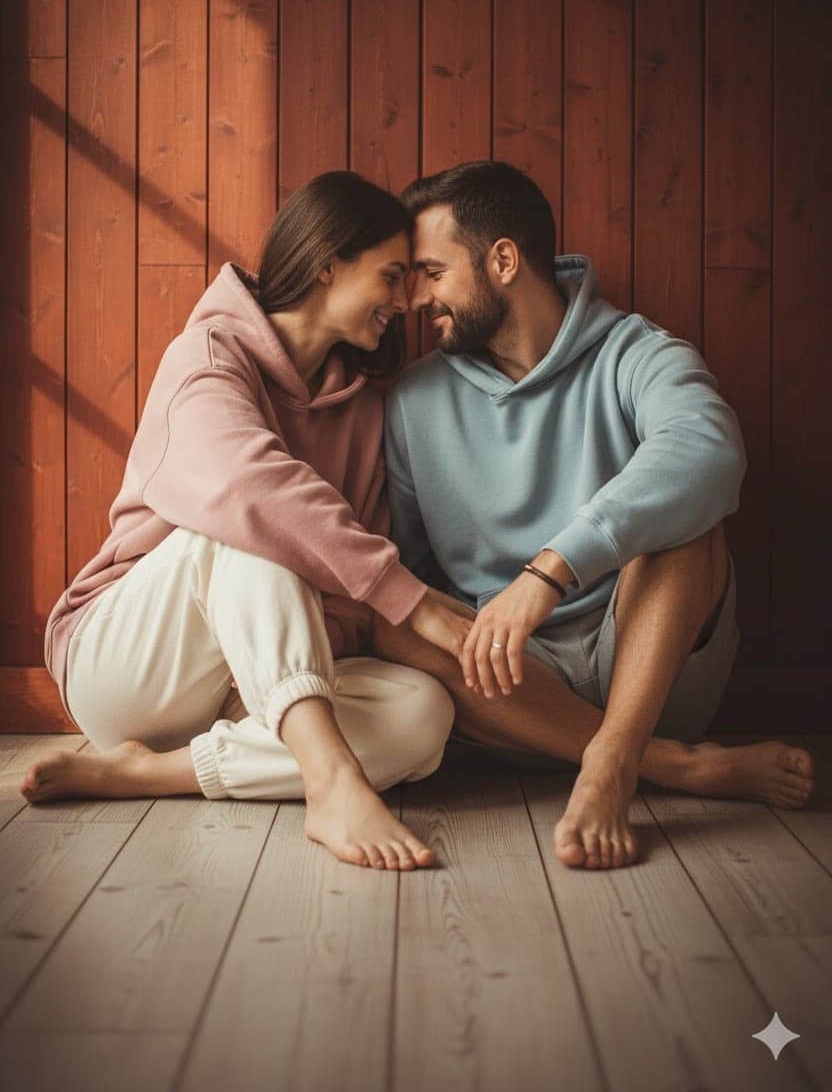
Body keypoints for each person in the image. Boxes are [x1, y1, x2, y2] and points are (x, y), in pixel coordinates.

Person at [372, 159, 815, 872]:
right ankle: (669, 768)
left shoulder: (637, 352)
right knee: (389, 612)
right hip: (515, 689)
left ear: (504, 261)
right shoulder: (413, 400)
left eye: (431, 271)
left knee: (689, 521)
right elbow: (412, 571)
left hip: (649, 666)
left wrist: (548, 572)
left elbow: (708, 447)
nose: (415, 297)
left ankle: (616, 756)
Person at [21, 171, 471, 872]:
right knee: (251, 526)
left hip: (257, 689)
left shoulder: (362, 411)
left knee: (423, 715)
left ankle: (152, 775)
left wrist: (290, 643)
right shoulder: (204, 359)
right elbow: (250, 489)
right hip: (128, 667)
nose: (403, 301)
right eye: (390, 276)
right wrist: (410, 599)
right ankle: (331, 781)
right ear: (327, 262)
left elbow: (355, 594)